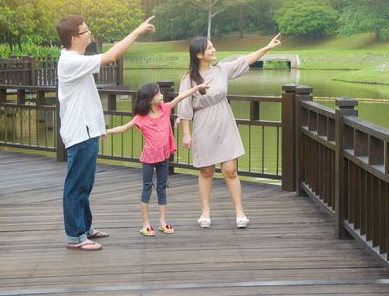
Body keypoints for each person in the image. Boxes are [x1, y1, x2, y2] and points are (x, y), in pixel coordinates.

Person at [56, 15, 155, 251]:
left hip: (87, 130)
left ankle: (85, 228)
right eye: (85, 31)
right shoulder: (70, 61)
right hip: (79, 133)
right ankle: (75, 236)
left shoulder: (74, 58)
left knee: (85, 183)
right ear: (74, 38)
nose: (89, 33)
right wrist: (137, 32)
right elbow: (111, 56)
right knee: (76, 185)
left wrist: (98, 128)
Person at [177, 34, 282, 229]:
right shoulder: (189, 78)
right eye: (209, 48)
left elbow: (245, 61)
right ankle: (205, 212)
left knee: (230, 170)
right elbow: (184, 107)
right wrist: (186, 132)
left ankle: (240, 212)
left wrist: (267, 47)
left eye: (213, 46)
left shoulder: (221, 70)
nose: (214, 49)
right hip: (203, 124)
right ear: (199, 54)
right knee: (206, 171)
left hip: (225, 122)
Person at [106, 80, 210, 236]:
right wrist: (106, 132)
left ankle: (162, 221)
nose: (162, 95)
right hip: (149, 158)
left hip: (163, 156)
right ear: (149, 99)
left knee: (162, 187)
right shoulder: (140, 118)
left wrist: (198, 87)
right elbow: (123, 128)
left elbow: (181, 96)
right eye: (158, 93)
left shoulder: (165, 109)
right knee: (147, 188)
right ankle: (146, 224)